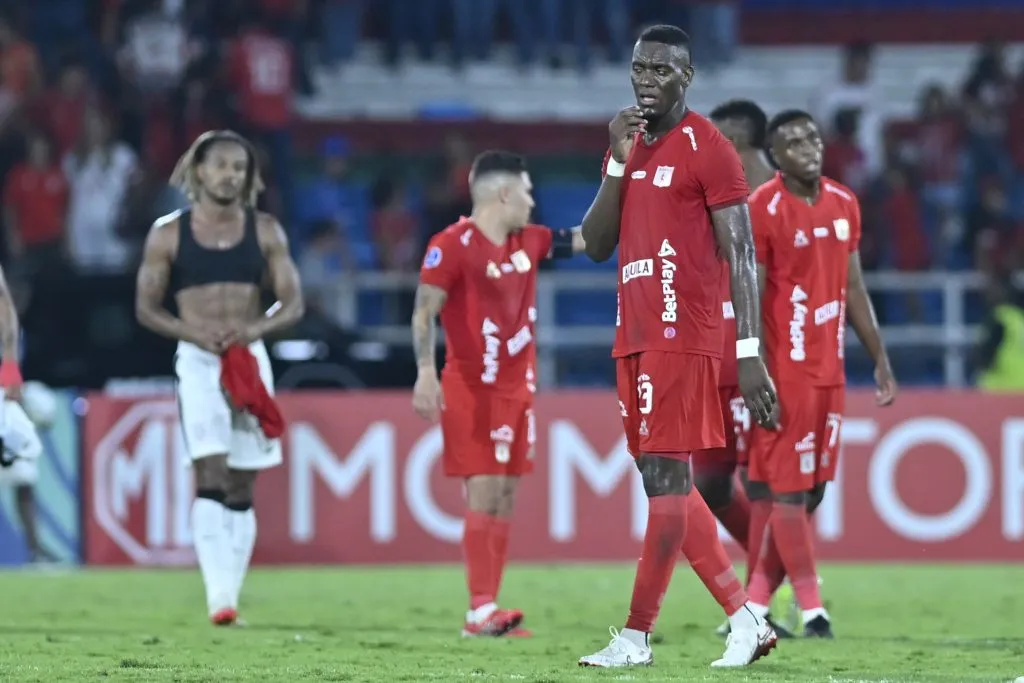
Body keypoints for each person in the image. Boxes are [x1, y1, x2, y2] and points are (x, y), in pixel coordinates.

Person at [576, 25, 778, 669]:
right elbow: (597, 242)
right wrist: (614, 159)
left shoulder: (709, 148)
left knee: (665, 481)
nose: (646, 78)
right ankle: (747, 617)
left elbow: (741, 251)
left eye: (661, 70)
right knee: (664, 481)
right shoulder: (629, 145)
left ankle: (636, 637)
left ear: (686, 77)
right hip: (631, 334)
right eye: (639, 67)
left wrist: (747, 350)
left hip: (681, 331)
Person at [411, 150, 585, 638]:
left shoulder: (531, 241)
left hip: (517, 389)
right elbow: (424, 312)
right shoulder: (451, 244)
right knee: (484, 490)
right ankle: (478, 610)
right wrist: (425, 371)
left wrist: (618, 175)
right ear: (504, 192)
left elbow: (590, 239)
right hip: (470, 387)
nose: (533, 201)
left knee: (505, 496)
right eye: (528, 191)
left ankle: (488, 607)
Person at [135, 130, 304, 626]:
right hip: (199, 360)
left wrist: (255, 327)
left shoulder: (266, 230)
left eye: (239, 167)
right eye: (221, 165)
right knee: (209, 472)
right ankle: (220, 599)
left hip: (247, 359)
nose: (230, 175)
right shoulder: (169, 233)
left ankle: (229, 591)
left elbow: (292, 302)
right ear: (199, 171)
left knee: (242, 483)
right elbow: (146, 307)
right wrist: (191, 332)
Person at [745, 110, 897, 639]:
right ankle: (814, 611)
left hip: (829, 372)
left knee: (812, 493)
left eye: (811, 137)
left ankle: (754, 606)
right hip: (785, 371)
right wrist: (755, 368)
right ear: (776, 159)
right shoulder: (762, 208)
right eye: (792, 142)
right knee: (787, 494)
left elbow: (854, 288)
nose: (807, 146)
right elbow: (751, 295)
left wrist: (878, 355)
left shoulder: (844, 202)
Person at [696, 99, 794, 639]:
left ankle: (762, 600)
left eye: (721, 140)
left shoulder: (779, 203)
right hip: (715, 354)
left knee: (763, 482)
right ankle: (770, 580)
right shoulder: (713, 198)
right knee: (710, 483)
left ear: (742, 142)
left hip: (763, 360)